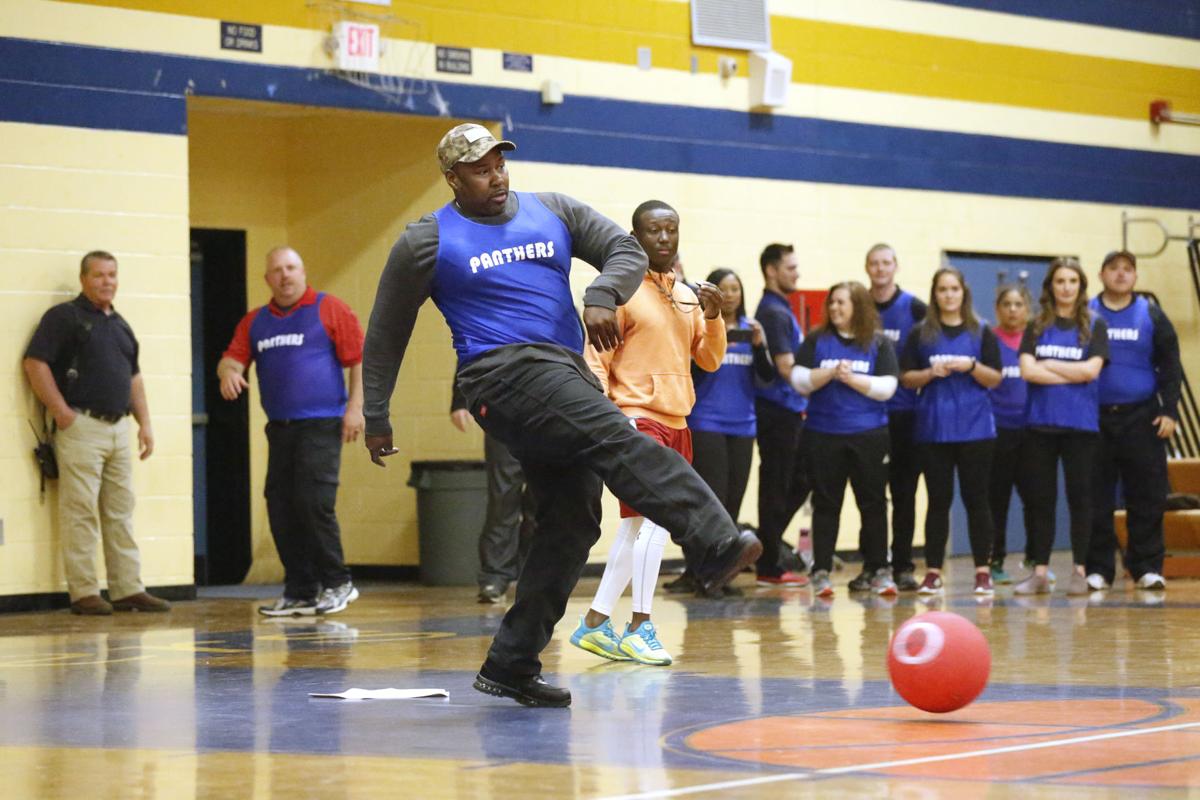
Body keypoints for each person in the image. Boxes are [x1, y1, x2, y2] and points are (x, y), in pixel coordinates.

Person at [361, 123, 760, 708]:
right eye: (479, 170)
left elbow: (625, 249)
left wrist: (601, 293)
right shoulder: (427, 240)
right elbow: (386, 331)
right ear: (452, 179)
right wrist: (376, 413)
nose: (495, 177)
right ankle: (713, 539)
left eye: (499, 164)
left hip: (562, 370)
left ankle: (511, 663)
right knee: (615, 435)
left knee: (573, 517)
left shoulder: (552, 210)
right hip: (498, 372)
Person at [571, 200, 726, 666]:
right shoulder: (620, 292)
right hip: (636, 420)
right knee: (658, 522)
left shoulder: (686, 295)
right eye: (654, 230)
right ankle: (640, 626)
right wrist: (607, 417)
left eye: (671, 229)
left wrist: (714, 317)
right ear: (635, 237)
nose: (664, 238)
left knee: (636, 528)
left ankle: (595, 623)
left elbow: (709, 359)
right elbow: (596, 362)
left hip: (678, 420)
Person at [217, 246, 365, 617]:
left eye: (291, 268)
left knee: (314, 502)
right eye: (277, 270)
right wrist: (229, 373)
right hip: (280, 428)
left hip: (322, 423)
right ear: (267, 279)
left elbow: (359, 360)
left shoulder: (329, 308)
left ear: (302, 272)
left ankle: (338, 583)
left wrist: (356, 409)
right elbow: (231, 358)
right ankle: (300, 590)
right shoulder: (256, 322)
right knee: (281, 506)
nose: (285, 275)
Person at [22, 250, 170, 615]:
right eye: (99, 275)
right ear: (83, 279)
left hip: (119, 428)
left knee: (121, 512)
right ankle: (84, 592)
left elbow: (134, 378)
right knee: (81, 511)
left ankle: (127, 588)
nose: (107, 282)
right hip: (81, 427)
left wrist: (145, 423)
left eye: (112, 275)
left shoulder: (121, 325)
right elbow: (34, 363)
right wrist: (62, 413)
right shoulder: (64, 317)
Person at [665, 268, 776, 597]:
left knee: (732, 503)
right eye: (724, 289)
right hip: (707, 422)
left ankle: (721, 573)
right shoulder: (703, 327)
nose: (731, 295)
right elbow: (694, 372)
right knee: (709, 502)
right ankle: (700, 571)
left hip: (743, 425)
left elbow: (767, 378)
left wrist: (760, 346)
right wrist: (712, 336)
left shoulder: (750, 330)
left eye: (736, 288)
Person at [790, 282, 898, 598]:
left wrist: (851, 379)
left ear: (858, 306)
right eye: (832, 302)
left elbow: (887, 387)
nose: (834, 308)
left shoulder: (878, 343)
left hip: (869, 435)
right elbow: (799, 380)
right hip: (823, 434)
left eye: (841, 303)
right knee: (826, 504)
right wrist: (829, 373)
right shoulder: (816, 340)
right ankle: (821, 571)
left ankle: (878, 570)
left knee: (873, 504)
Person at [900, 267, 1002, 596]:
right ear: (935, 294)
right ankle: (933, 572)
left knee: (977, 500)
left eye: (954, 289)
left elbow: (995, 378)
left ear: (963, 292)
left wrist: (971, 366)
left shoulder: (981, 330)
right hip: (934, 427)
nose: (948, 295)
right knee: (938, 501)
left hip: (976, 428)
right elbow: (906, 378)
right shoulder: (921, 333)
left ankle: (983, 571)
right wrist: (930, 373)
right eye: (942, 289)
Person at [1086, 250, 1180, 591]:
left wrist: (1170, 411)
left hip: (1142, 417)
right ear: (1101, 274)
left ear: (1135, 276)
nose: (1121, 274)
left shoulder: (1151, 314)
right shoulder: (1085, 313)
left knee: (1146, 495)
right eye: (1114, 268)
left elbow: (1171, 365)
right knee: (1095, 497)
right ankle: (1099, 569)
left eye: (1128, 269)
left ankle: (1146, 567)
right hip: (1094, 418)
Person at [1014, 258, 1108, 596]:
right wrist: (1073, 371)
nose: (1066, 287)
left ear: (1081, 286)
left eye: (1072, 281)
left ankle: (1080, 570)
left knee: (1080, 498)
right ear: (1050, 286)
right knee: (1041, 500)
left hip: (1080, 426)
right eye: (1060, 281)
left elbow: (1091, 372)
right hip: (1040, 425)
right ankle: (1040, 572)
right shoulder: (1036, 325)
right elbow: (1028, 371)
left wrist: (1051, 363)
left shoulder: (1095, 325)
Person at [864, 243, 927, 592]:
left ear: (896, 266)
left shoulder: (915, 308)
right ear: (867, 268)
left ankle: (903, 565)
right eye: (874, 263)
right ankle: (873, 565)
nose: (880, 268)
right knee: (871, 496)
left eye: (886, 262)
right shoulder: (858, 304)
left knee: (904, 494)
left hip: (905, 414)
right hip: (867, 417)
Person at [753, 243, 811, 586]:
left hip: (788, 410)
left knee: (799, 480)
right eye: (790, 268)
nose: (796, 274)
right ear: (771, 271)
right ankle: (768, 564)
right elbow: (786, 368)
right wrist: (821, 383)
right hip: (777, 411)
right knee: (777, 484)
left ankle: (766, 548)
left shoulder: (780, 309)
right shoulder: (774, 312)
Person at [450, 376, 535, 605]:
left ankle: (535, 575)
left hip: (551, 408)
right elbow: (469, 354)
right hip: (503, 408)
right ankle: (495, 576)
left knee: (542, 499)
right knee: (502, 497)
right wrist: (460, 400)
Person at [988, 285, 1036, 585]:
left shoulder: (1037, 340)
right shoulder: (988, 340)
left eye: (1019, 304)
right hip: (997, 431)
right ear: (998, 309)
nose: (1013, 309)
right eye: (1006, 304)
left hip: (1032, 430)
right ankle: (995, 560)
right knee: (997, 500)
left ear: (1027, 308)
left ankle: (1035, 559)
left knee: (1035, 498)